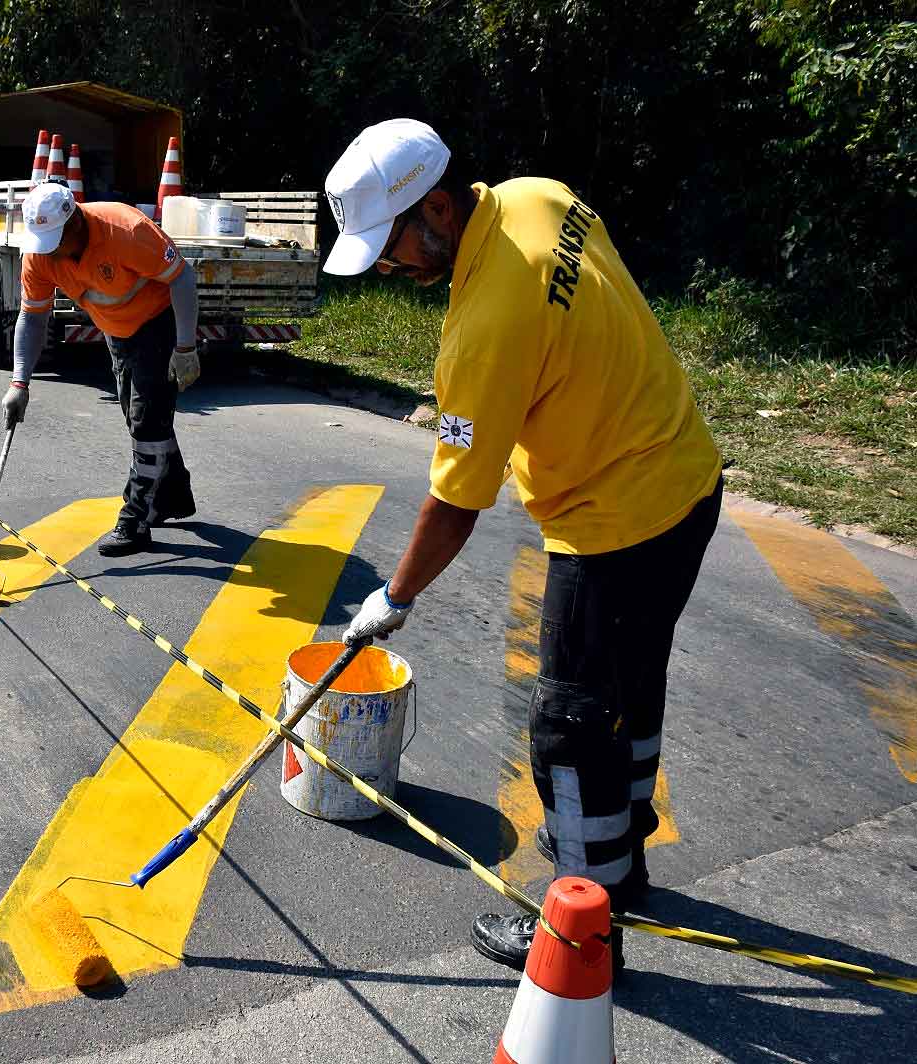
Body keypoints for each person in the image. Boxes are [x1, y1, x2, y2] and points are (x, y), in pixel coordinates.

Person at [324, 119, 723, 971]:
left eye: (391, 247)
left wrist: (392, 597)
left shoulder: (483, 325)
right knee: (631, 681)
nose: (390, 268)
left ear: (434, 207)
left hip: (613, 523)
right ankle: (623, 864)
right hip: (688, 480)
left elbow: (458, 498)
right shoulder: (539, 198)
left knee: (569, 725)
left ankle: (583, 927)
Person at [2, 181, 201, 556]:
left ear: (76, 220)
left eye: (57, 240)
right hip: (117, 330)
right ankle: (172, 495)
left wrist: (185, 347)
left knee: (146, 421)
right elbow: (32, 317)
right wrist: (20, 383)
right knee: (141, 418)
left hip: (159, 322)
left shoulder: (126, 230)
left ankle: (135, 521)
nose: (53, 253)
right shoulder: (41, 254)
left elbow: (183, 277)